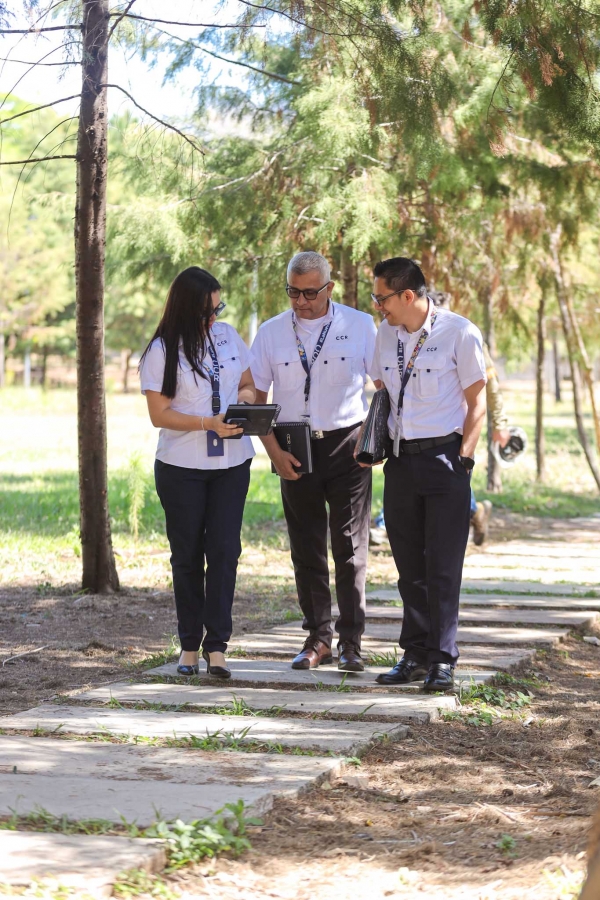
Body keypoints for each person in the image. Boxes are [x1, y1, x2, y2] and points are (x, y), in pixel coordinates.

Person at [361, 258, 487, 691]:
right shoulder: (385, 334)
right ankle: (413, 654)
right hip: (400, 463)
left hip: (445, 461)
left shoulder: (460, 332)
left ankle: (443, 659)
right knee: (408, 566)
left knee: (443, 568)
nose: (378, 306)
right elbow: (382, 393)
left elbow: (477, 403)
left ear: (407, 296)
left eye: (382, 298)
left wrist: (464, 460)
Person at [250, 251, 378, 672]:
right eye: (292, 291)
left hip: (349, 445)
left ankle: (351, 643)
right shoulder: (270, 333)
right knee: (306, 548)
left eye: (309, 292)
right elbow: (254, 396)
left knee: (350, 547)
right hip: (293, 447)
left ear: (329, 288)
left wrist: (373, 444)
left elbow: (384, 387)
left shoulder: (359, 325)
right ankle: (317, 638)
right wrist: (272, 451)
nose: (300, 301)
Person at [139, 266, 256, 680]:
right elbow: (159, 414)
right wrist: (208, 423)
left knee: (224, 553)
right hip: (181, 468)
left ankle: (218, 647)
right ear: (187, 310)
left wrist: (243, 402)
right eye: (208, 310)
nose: (214, 316)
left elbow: (247, 382)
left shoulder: (227, 336)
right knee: (187, 556)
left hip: (232, 464)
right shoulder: (161, 349)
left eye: (218, 307)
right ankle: (189, 645)